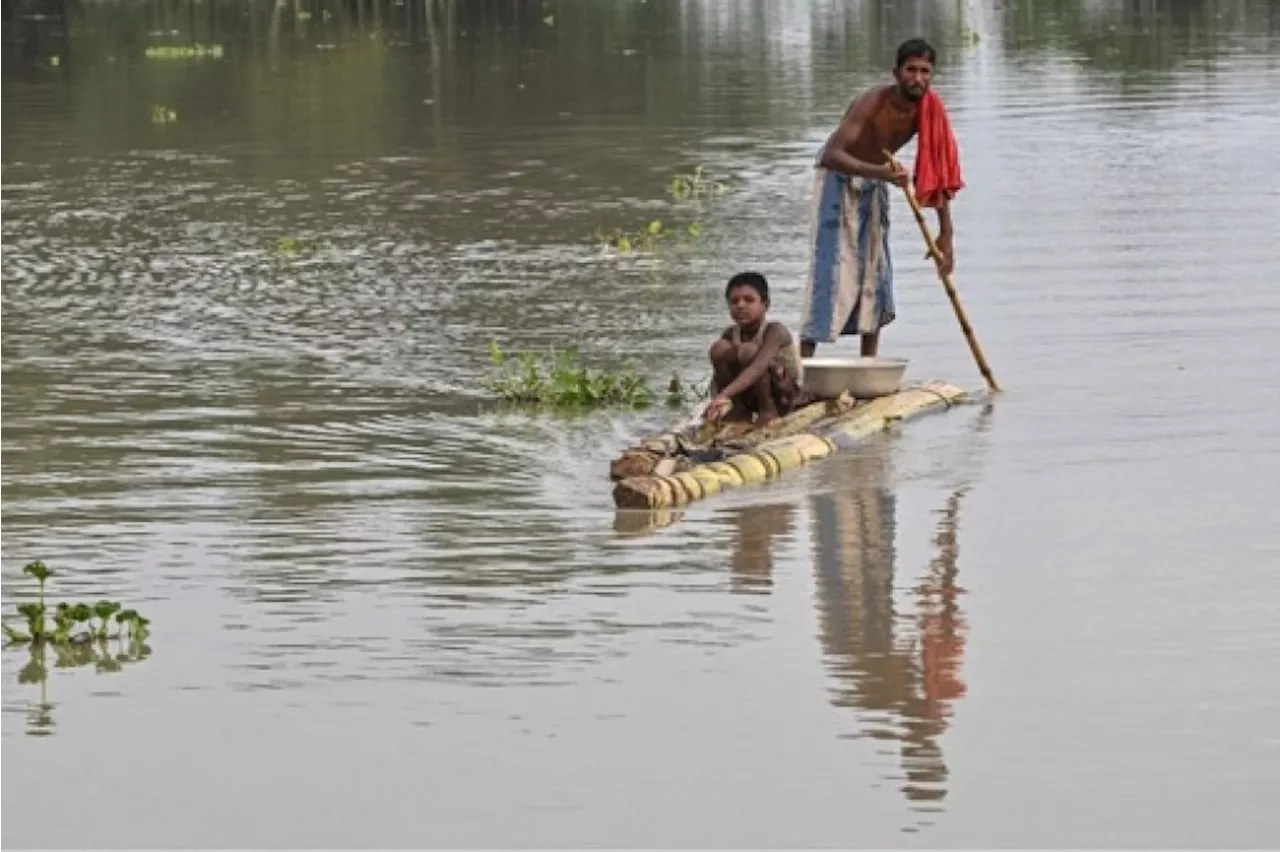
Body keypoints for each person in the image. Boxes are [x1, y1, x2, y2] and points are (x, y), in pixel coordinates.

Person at [799, 37, 965, 359]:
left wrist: (946, 232)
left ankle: (868, 366)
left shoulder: (929, 110)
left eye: (925, 71)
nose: (917, 78)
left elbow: (936, 171)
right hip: (838, 180)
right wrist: (882, 174)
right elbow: (831, 155)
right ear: (896, 72)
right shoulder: (873, 102)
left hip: (875, 182)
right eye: (911, 70)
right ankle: (802, 371)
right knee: (831, 269)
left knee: (875, 270)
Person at [705, 272, 804, 427]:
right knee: (720, 348)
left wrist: (724, 394)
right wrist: (716, 399)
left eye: (749, 300)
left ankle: (767, 412)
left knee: (748, 351)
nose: (741, 306)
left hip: (783, 397)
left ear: (765, 304)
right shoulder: (730, 334)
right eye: (734, 301)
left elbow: (758, 367)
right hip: (747, 394)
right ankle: (738, 410)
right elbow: (720, 373)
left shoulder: (775, 331)